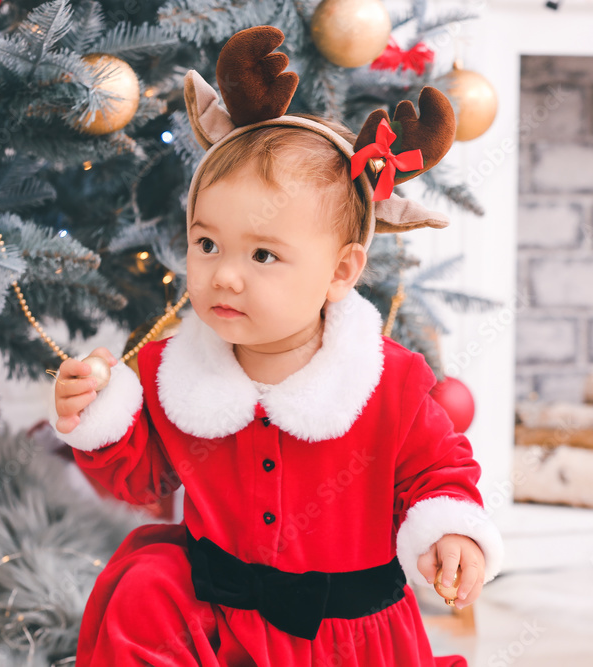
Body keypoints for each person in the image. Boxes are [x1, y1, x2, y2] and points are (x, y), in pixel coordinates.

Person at [49, 26, 503, 667]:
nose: (224, 275)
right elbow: (141, 474)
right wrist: (95, 415)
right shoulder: (171, 371)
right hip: (215, 617)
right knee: (147, 589)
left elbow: (439, 473)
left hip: (345, 634)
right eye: (207, 244)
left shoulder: (389, 384)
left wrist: (453, 531)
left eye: (263, 254)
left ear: (341, 272)